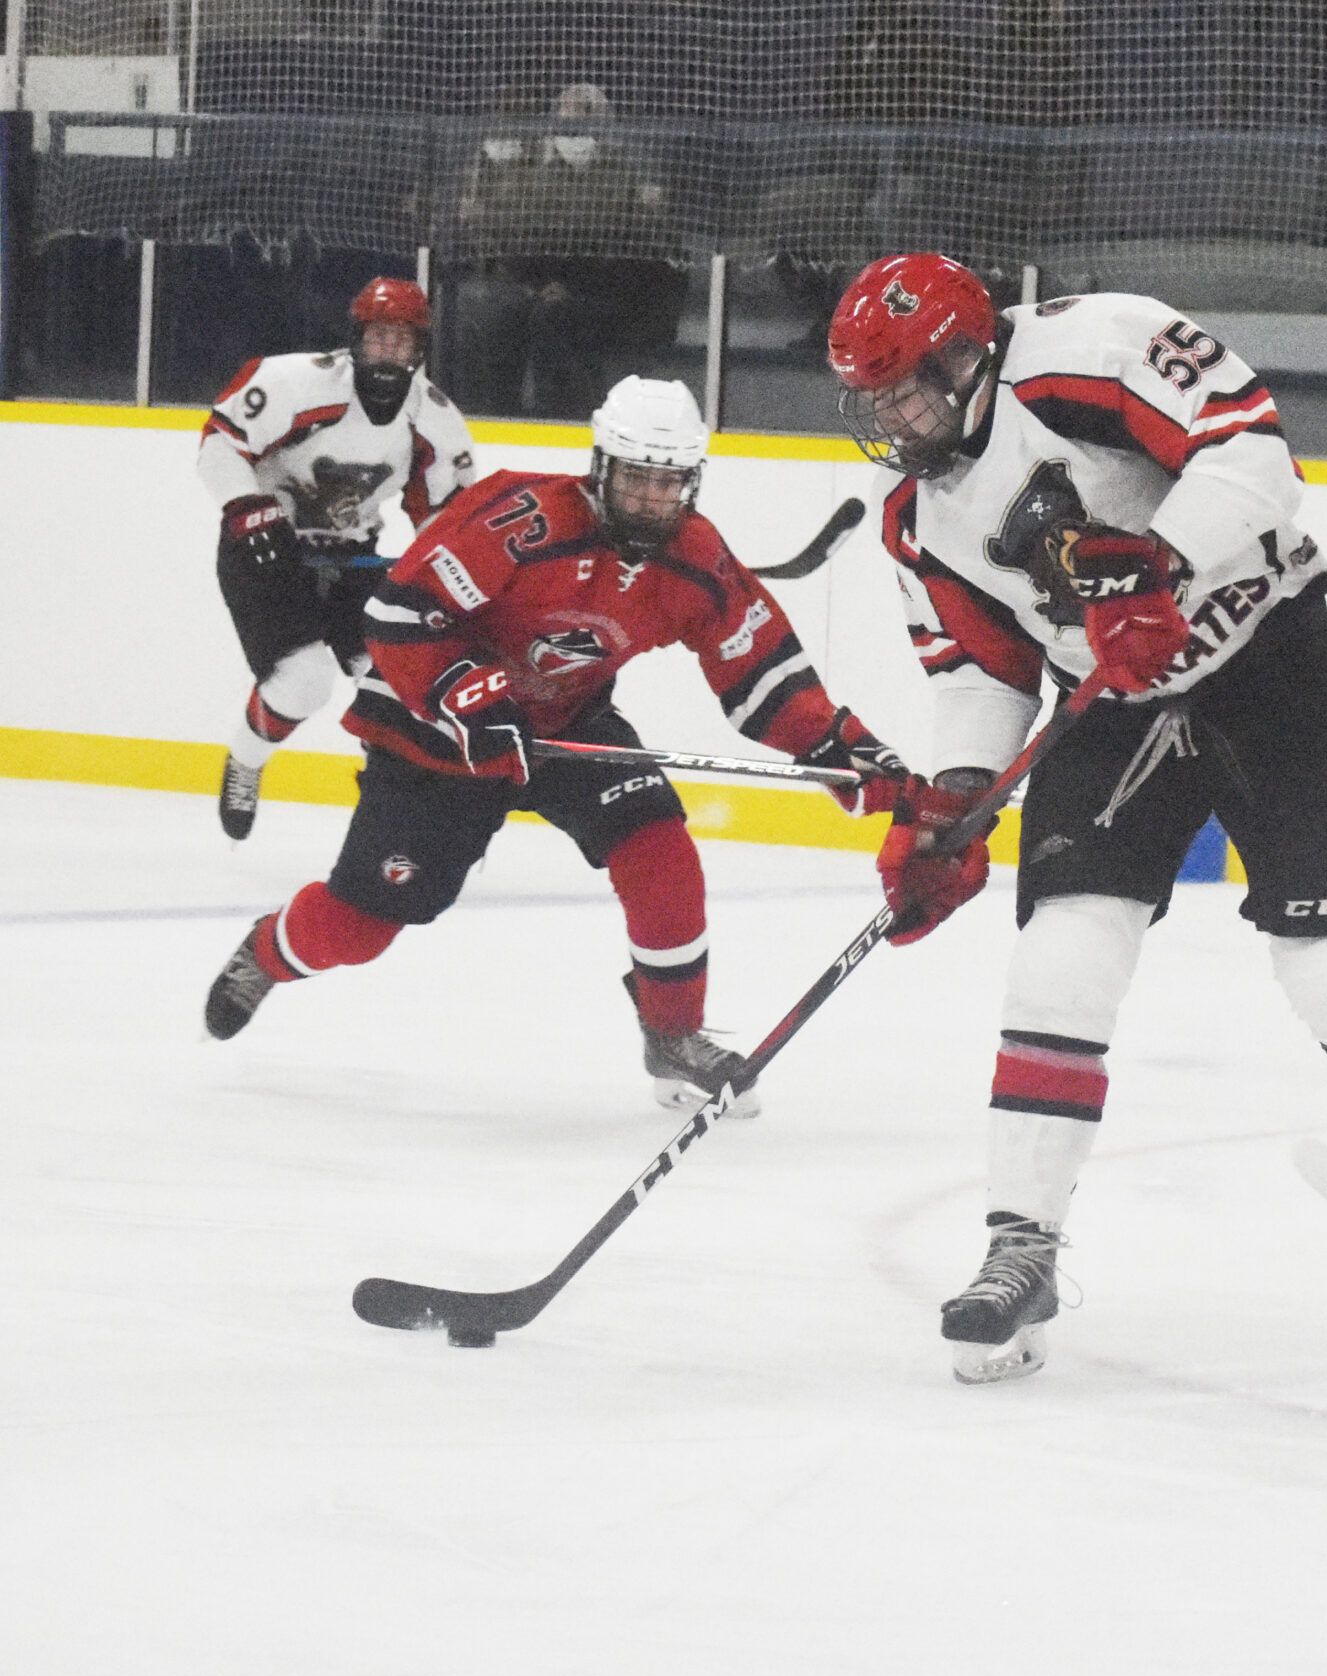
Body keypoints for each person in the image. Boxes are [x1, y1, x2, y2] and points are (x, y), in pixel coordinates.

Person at [825, 253, 1327, 1384]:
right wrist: (956, 803)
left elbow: (1255, 453)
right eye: (871, 401)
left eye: (904, 392)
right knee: (1059, 960)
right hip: (1111, 705)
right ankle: (1019, 1244)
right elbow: (981, 673)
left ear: (965, 356)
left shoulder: (1096, 346)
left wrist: (1159, 569)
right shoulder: (915, 524)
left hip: (1271, 659)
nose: (890, 420)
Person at [201, 377, 911, 1116]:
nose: (650, 501)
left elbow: (762, 673)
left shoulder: (694, 556)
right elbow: (399, 615)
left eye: (669, 484)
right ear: (602, 467)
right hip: (434, 735)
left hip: (567, 727)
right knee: (360, 928)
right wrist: (472, 699)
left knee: (661, 848)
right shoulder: (520, 517)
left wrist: (842, 748)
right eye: (636, 479)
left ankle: (672, 1033)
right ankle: (267, 953)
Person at [199, 277, 477, 842]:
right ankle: (247, 761)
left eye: (402, 342)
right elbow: (220, 444)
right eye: (378, 338)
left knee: (396, 683)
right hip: (264, 551)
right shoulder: (296, 383)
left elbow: (446, 523)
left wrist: (450, 586)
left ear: (420, 349)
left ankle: (389, 804)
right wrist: (251, 511)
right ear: (356, 339)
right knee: (304, 681)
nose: (388, 352)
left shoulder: (437, 421)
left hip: (354, 561)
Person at [455, 83, 689, 419]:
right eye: (566, 115)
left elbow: (633, 250)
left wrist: (574, 285)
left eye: (583, 114)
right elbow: (518, 236)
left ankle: (563, 416)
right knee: (500, 318)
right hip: (543, 285)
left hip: (610, 294)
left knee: (556, 319)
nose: (573, 125)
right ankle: (500, 416)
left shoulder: (629, 174)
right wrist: (536, 284)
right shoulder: (534, 174)